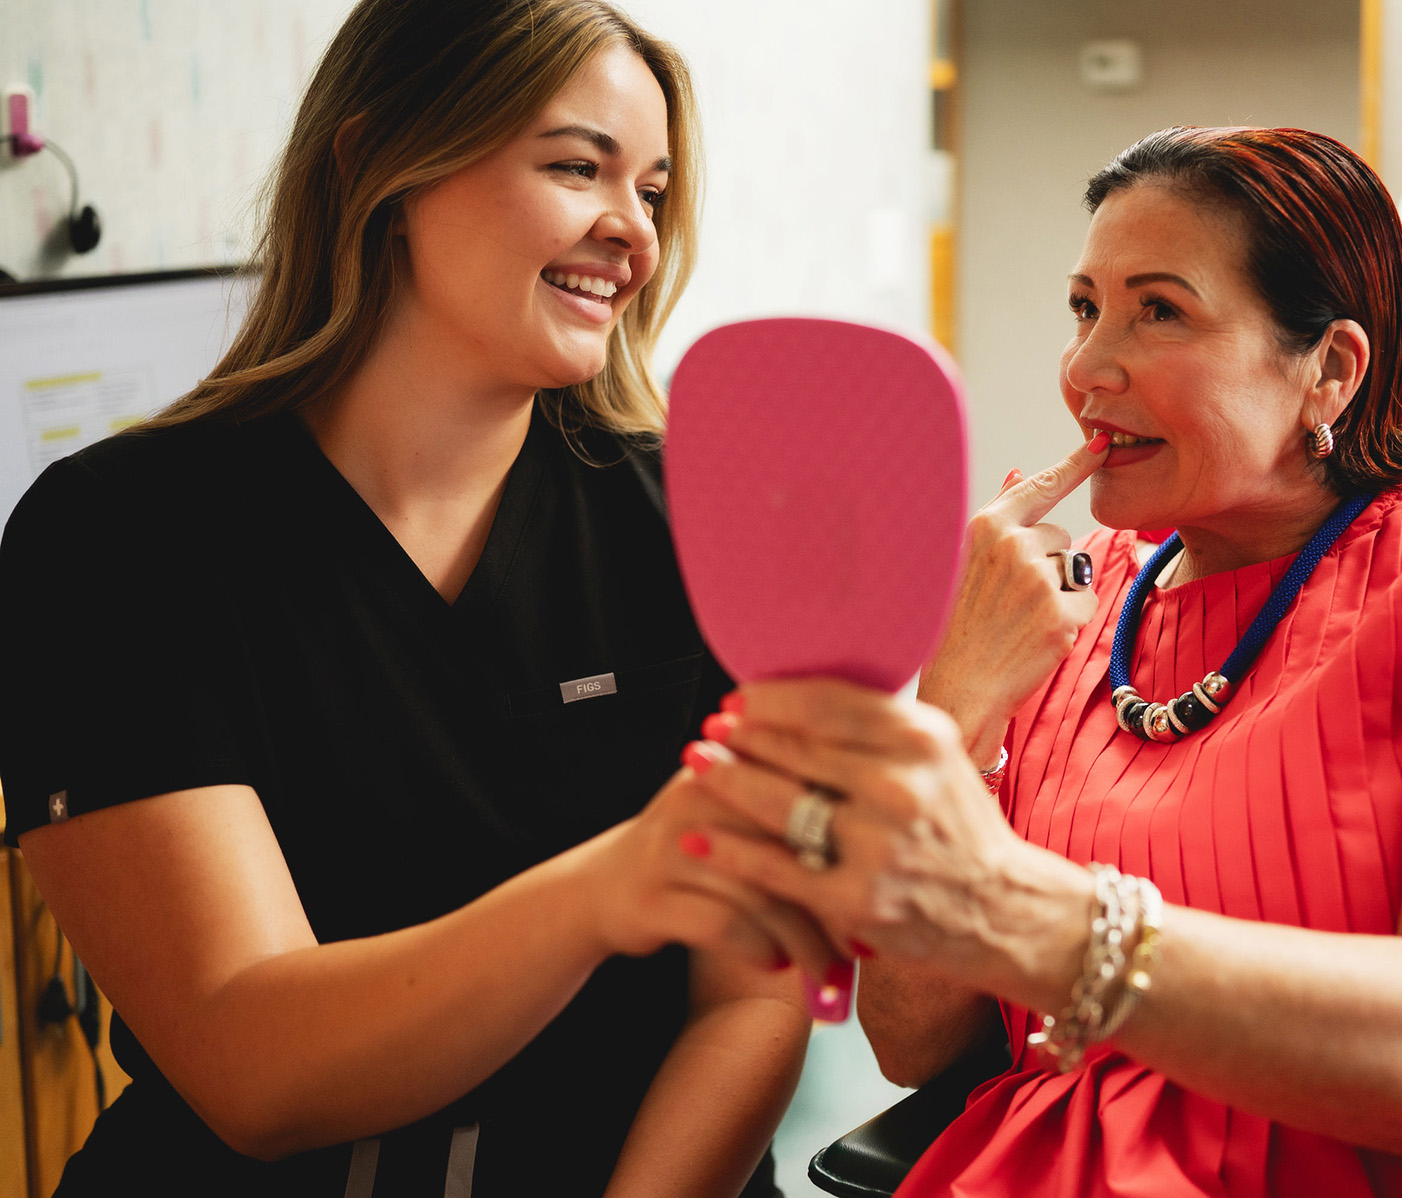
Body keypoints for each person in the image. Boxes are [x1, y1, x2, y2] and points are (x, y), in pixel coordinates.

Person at [676, 127, 1402, 1195]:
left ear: (1328, 369)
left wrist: (1035, 918)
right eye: (1085, 308)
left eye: (1159, 311)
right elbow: (912, 1041)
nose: (1085, 368)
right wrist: (955, 702)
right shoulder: (1063, 602)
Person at [0, 2, 845, 1194]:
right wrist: (615, 884)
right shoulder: (121, 540)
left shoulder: (703, 518)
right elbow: (256, 1064)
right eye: (575, 167)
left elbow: (752, 999)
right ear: (374, 164)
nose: (633, 234)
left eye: (652, 190)